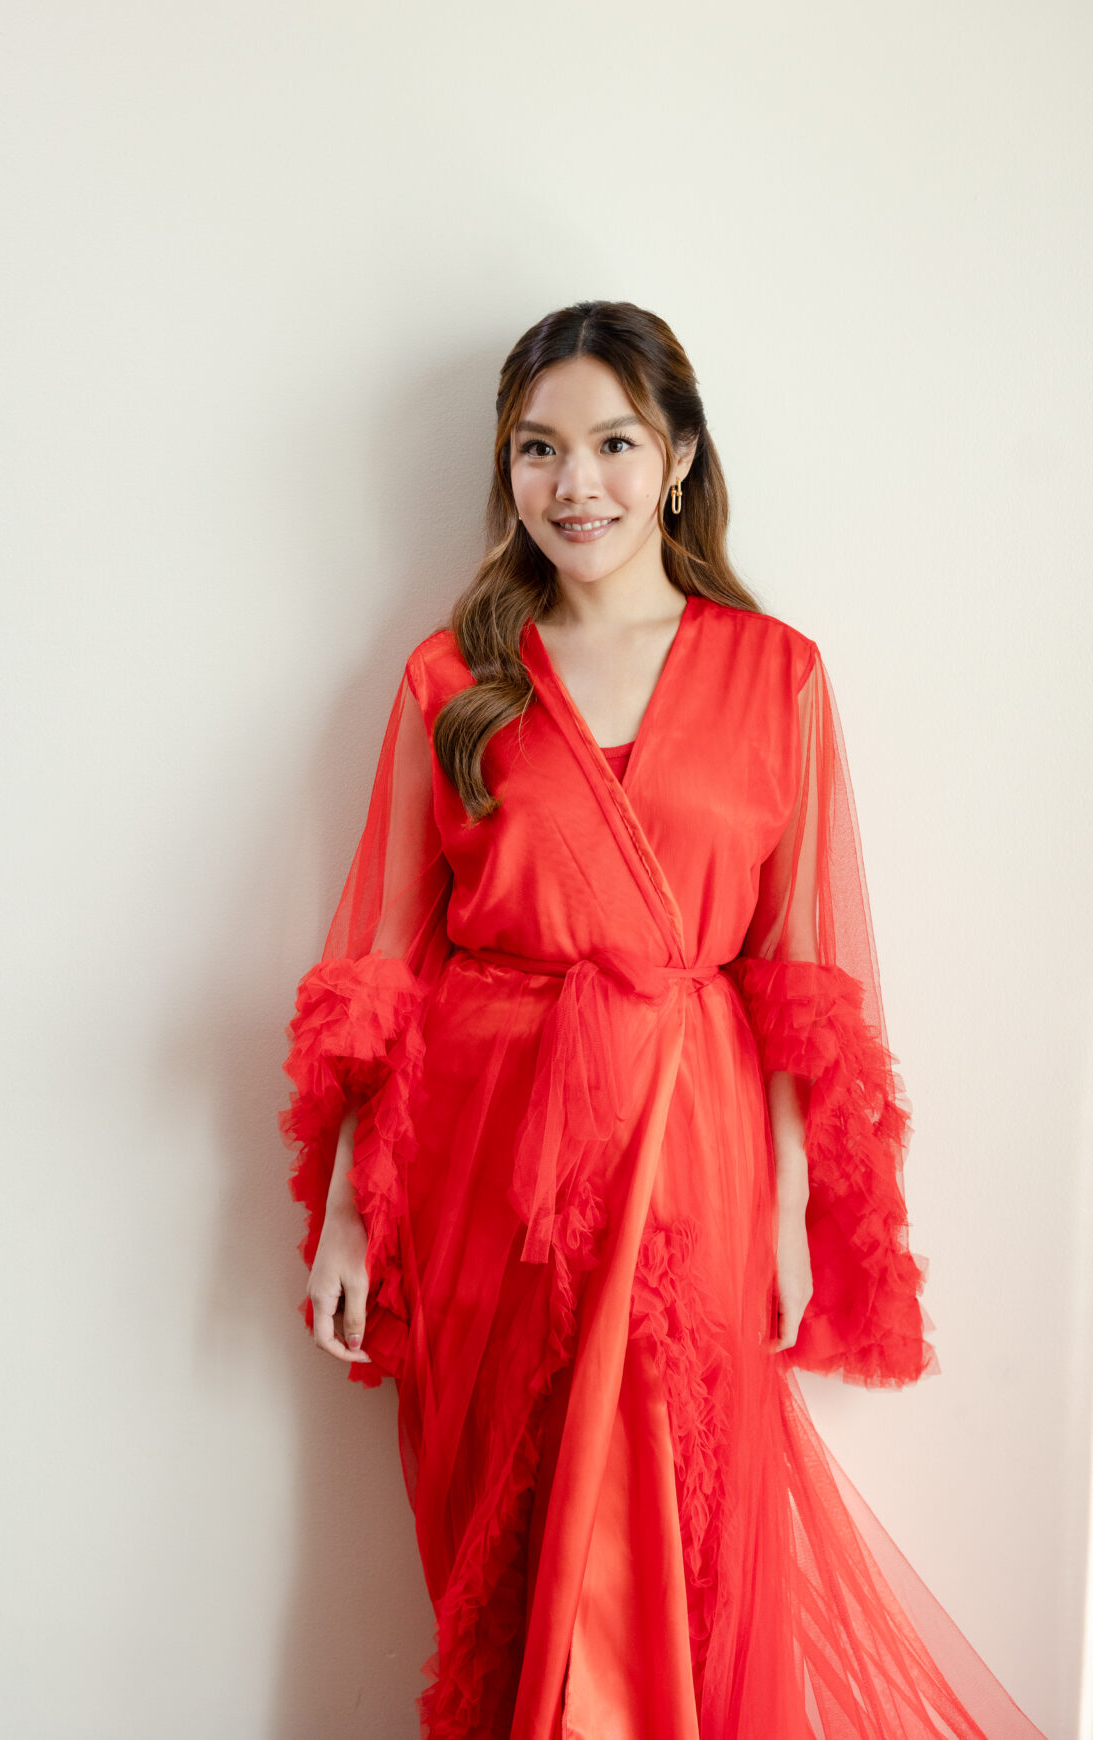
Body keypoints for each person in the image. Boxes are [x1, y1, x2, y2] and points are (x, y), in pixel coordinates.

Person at [279, 300, 1047, 1739]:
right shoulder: (452, 679)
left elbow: (801, 978)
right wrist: (345, 1212)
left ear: (680, 457)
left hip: (692, 1144)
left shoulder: (776, 674)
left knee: (680, 1528)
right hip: (485, 1168)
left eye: (615, 443)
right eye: (538, 449)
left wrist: (790, 1208)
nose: (576, 483)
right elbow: (385, 959)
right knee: (509, 1540)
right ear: (507, 468)